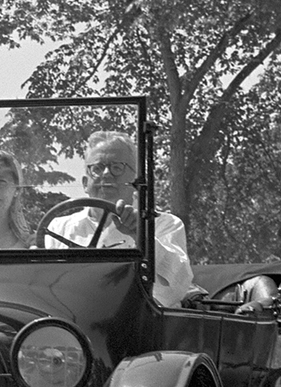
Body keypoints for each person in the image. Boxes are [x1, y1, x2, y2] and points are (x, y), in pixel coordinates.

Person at [44, 131, 194, 308]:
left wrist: (141, 237)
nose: (106, 174)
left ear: (136, 181)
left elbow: (178, 285)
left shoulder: (163, 224)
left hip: (140, 319)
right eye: (97, 168)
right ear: (85, 183)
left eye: (117, 167)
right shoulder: (58, 228)